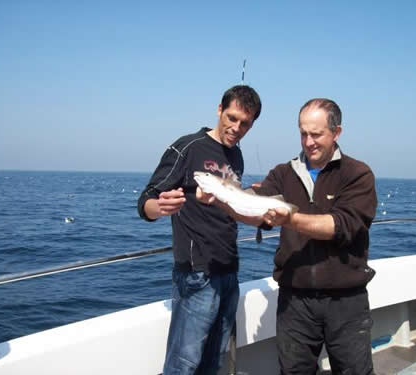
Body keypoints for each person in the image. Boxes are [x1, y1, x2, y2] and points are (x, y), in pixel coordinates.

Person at [137, 85, 262, 375]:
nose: (236, 128)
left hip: (229, 270)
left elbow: (231, 205)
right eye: (231, 118)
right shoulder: (188, 147)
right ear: (219, 110)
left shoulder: (237, 156)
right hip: (196, 273)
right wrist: (161, 207)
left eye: (245, 123)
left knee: (213, 362)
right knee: (183, 365)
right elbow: (146, 201)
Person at [254, 98, 377, 375]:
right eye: (303, 133)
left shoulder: (357, 174)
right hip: (294, 301)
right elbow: (256, 207)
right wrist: (222, 197)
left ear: (337, 132)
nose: (308, 142)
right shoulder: (283, 173)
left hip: (346, 301)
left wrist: (291, 219)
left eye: (316, 134)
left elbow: (341, 225)